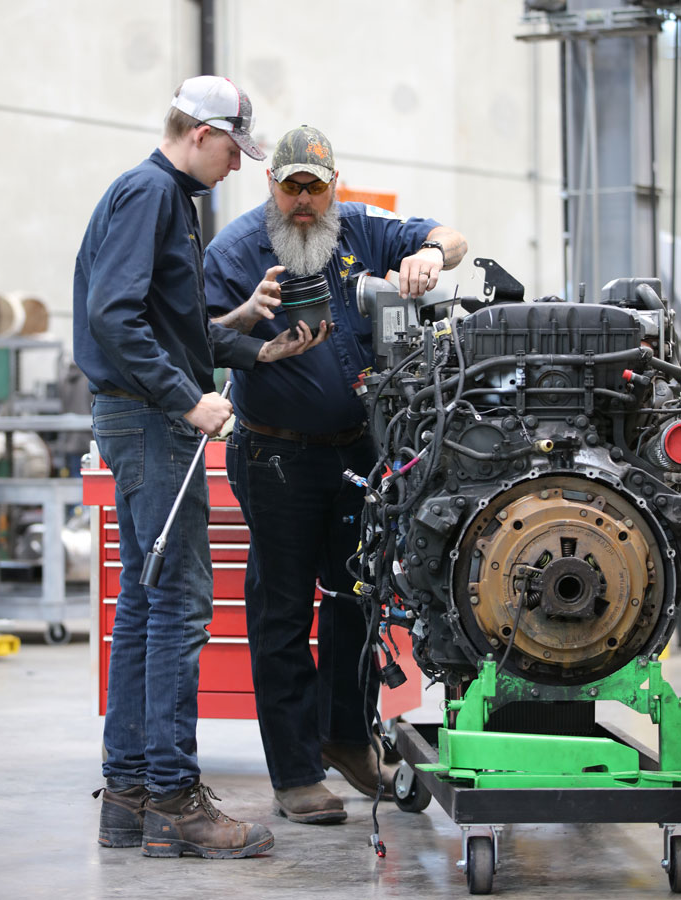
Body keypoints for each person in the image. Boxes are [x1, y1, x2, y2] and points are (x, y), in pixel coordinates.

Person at [73, 80, 328, 859]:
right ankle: (177, 804)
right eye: (232, 151)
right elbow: (112, 318)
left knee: (149, 608)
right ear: (200, 133)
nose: (233, 168)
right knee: (180, 607)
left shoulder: (164, 198)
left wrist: (249, 332)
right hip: (150, 423)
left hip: (142, 416)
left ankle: (130, 796)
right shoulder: (152, 193)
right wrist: (189, 402)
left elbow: (163, 326)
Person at [204, 125, 468, 824]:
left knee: (359, 597)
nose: (301, 201)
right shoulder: (236, 252)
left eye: (313, 187)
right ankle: (295, 775)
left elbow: (450, 235)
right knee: (283, 609)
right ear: (271, 186)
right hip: (276, 455)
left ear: (333, 185)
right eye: (289, 186)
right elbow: (195, 333)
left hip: (357, 452)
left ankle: (346, 739)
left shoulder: (360, 231)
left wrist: (428, 258)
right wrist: (251, 334)